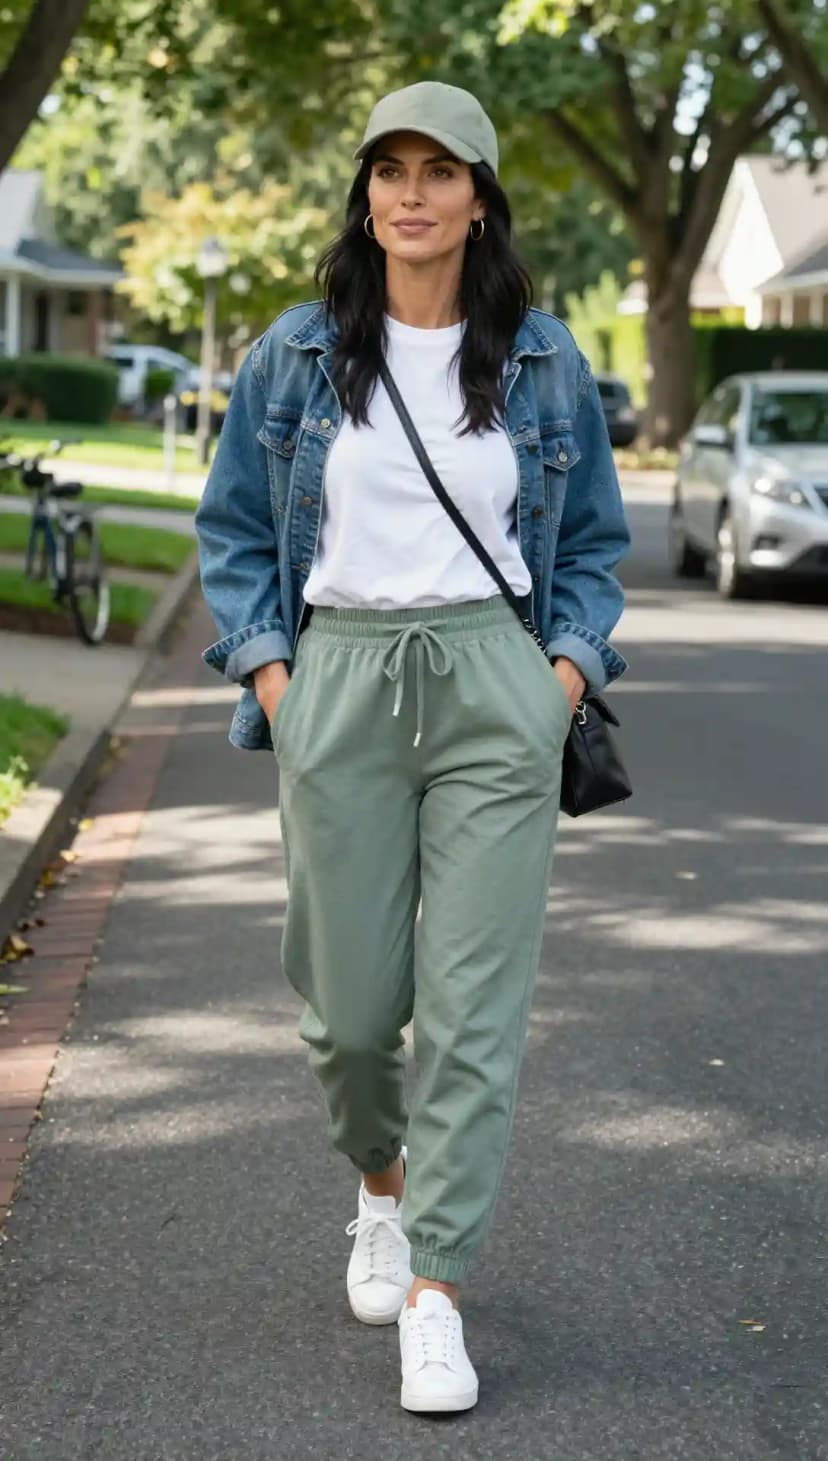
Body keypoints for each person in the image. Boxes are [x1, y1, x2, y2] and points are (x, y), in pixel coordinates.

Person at [195, 79, 630, 1415]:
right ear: (367, 196)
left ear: (482, 196)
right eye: (391, 169)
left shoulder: (544, 359)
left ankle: (436, 1284)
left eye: (441, 171)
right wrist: (275, 676)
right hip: (339, 679)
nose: (413, 193)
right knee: (347, 1009)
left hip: (498, 689)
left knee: (476, 1008)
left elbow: (597, 547)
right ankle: (379, 1189)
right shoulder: (297, 352)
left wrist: (561, 675)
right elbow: (234, 532)